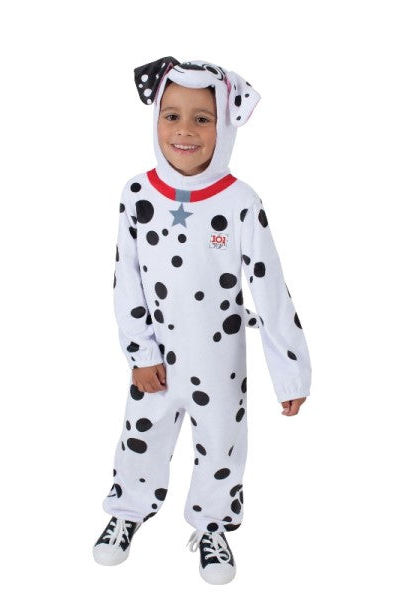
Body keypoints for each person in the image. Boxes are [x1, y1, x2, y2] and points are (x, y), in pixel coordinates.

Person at [92, 57, 312, 585]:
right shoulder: (137, 195)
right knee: (141, 436)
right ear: (156, 120)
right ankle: (127, 511)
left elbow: (270, 289)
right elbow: (126, 279)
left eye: (202, 118)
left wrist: (290, 372)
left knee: (221, 443)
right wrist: (140, 353)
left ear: (225, 125)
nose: (185, 130)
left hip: (220, 360)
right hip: (156, 362)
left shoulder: (241, 202)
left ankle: (213, 524)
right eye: (171, 116)